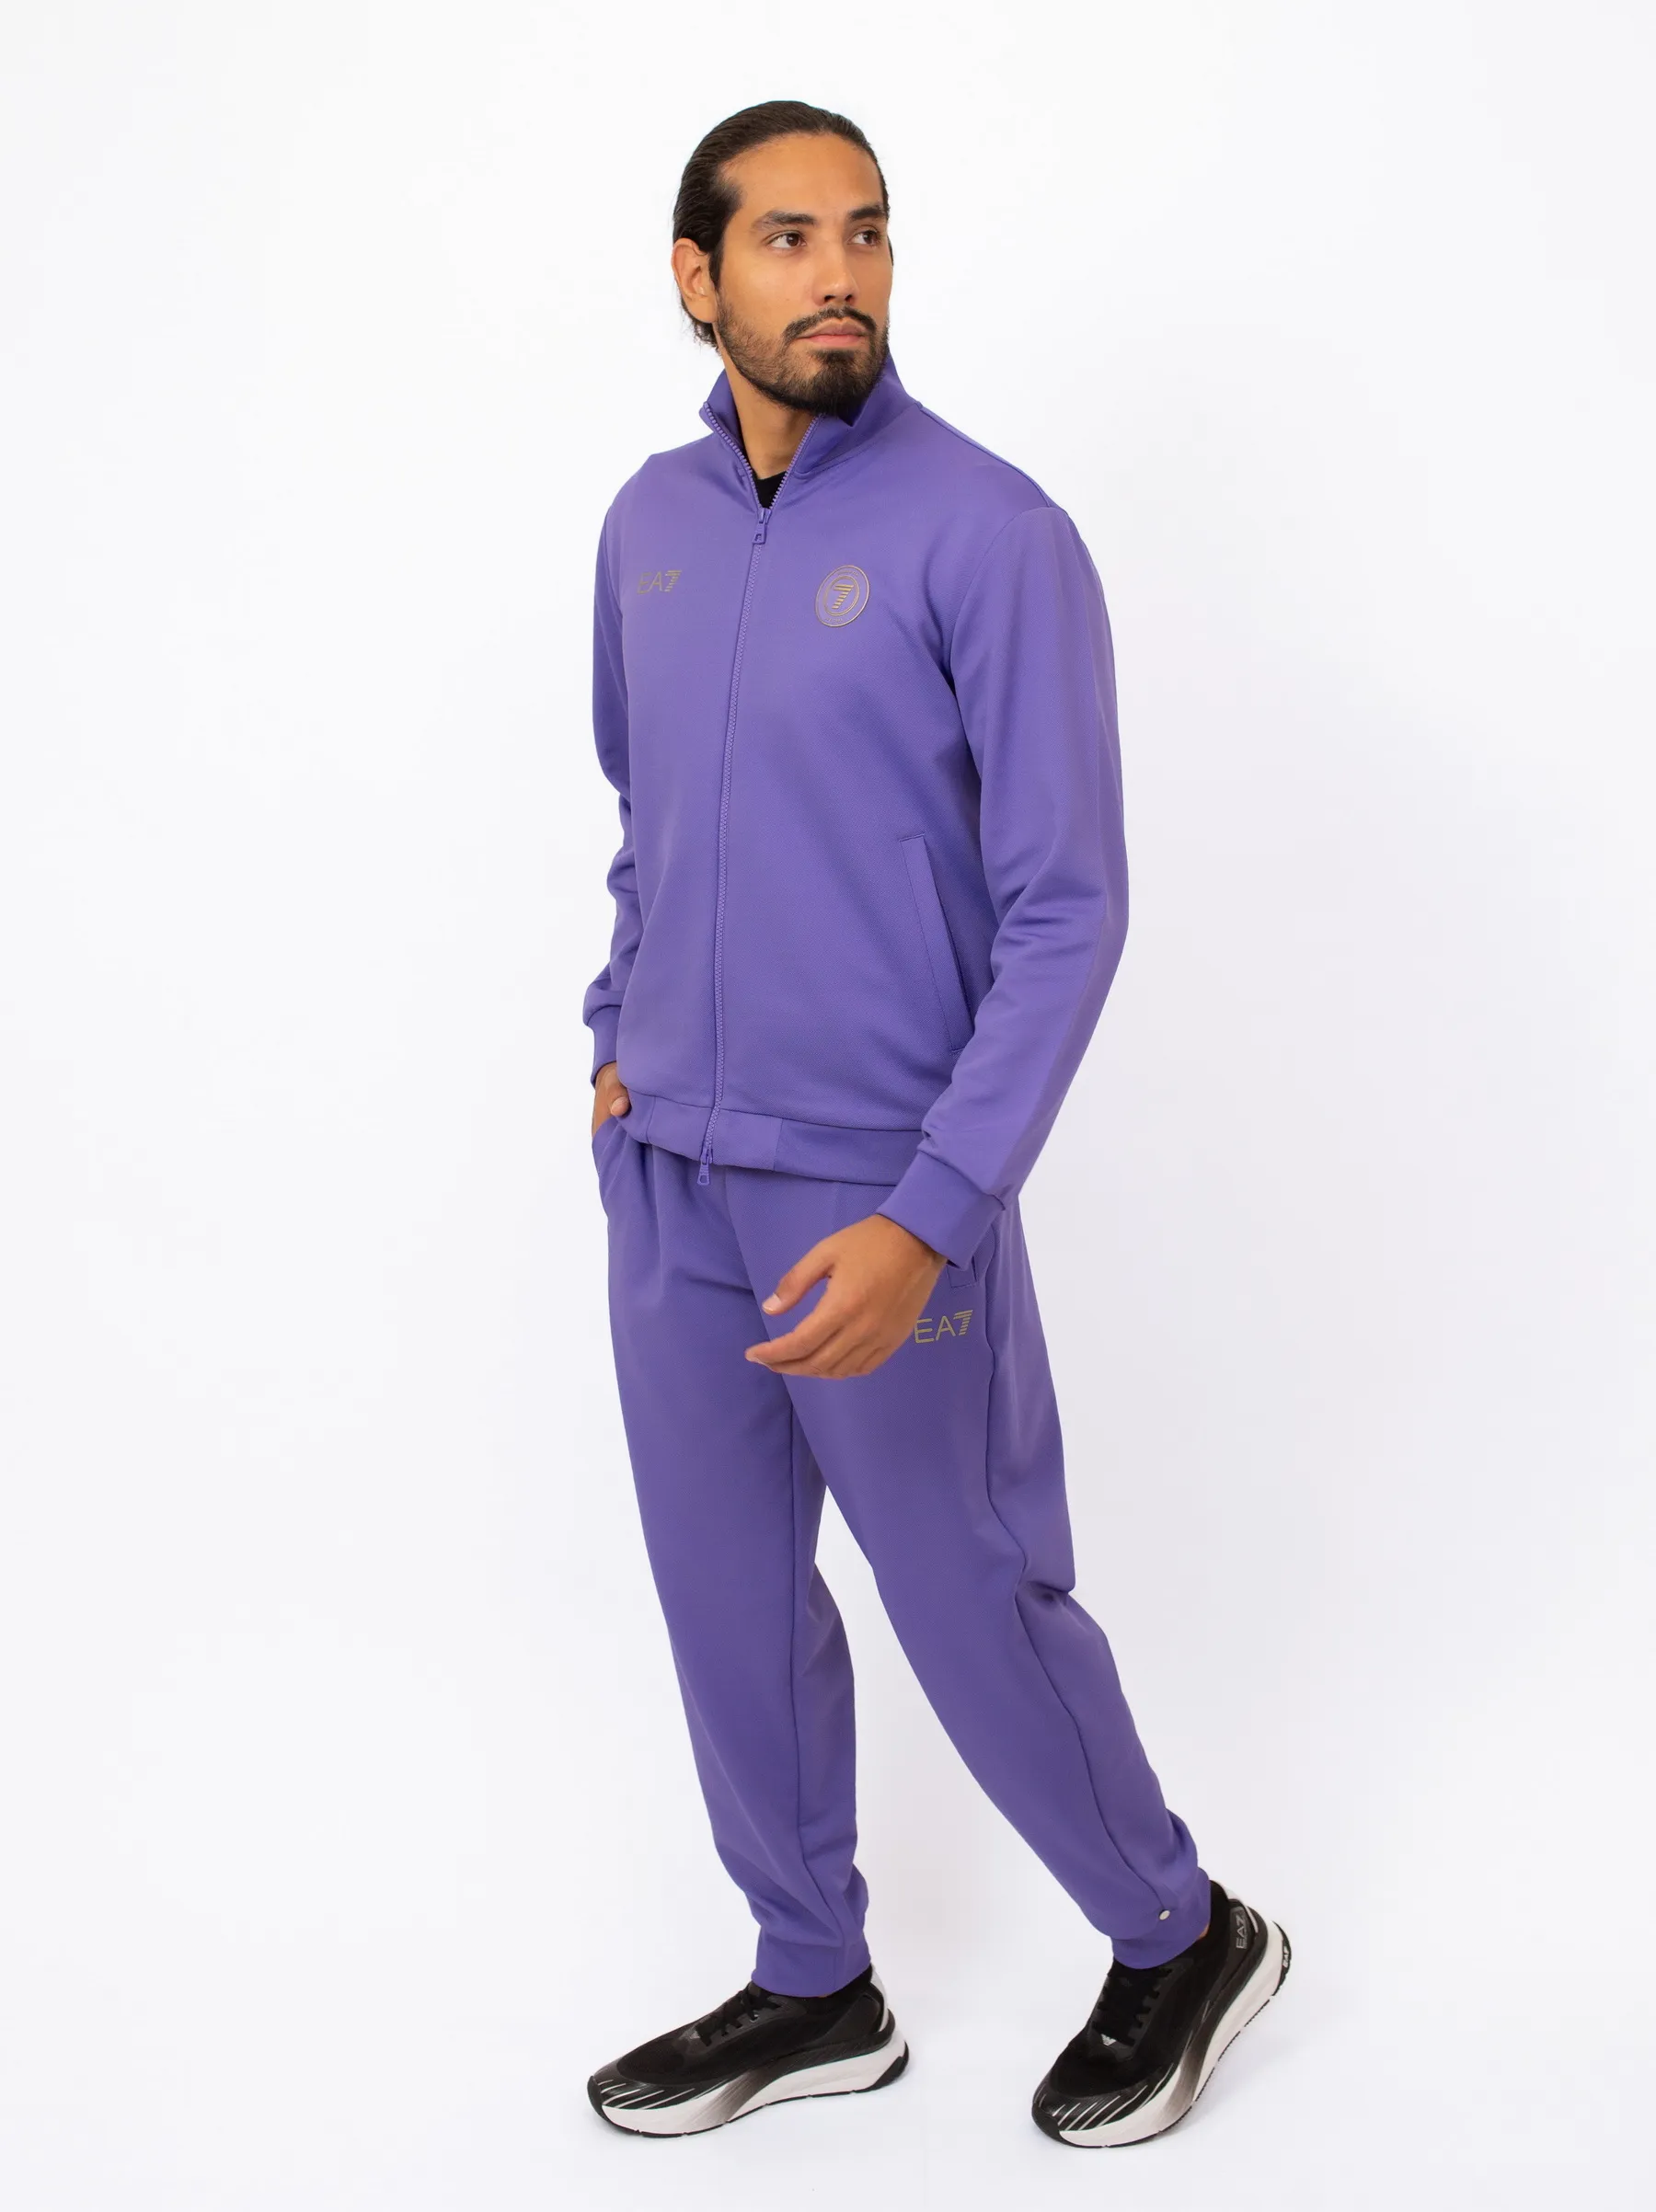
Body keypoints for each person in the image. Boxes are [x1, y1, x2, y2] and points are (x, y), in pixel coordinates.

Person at [580, 98, 1289, 2149]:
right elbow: (649, 818)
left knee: (968, 1591)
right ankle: (812, 1977)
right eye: (790, 238)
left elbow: (1073, 906)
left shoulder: (993, 532)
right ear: (699, 277)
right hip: (671, 1171)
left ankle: (1181, 1929)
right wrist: (616, 1034)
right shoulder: (645, 525)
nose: (843, 275)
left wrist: (936, 1207)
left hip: (882, 1183)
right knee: (726, 1601)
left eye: (869, 233)